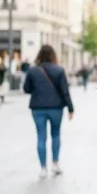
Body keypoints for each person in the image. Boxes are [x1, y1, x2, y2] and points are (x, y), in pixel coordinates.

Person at [23, 45, 74, 178]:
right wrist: (70, 108)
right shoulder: (59, 70)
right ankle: (55, 164)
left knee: (41, 137)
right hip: (56, 108)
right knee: (55, 135)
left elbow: (26, 89)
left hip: (37, 108)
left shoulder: (32, 70)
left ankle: (43, 168)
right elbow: (65, 91)